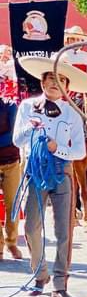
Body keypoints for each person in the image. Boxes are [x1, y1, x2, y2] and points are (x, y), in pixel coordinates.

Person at [13, 55, 87, 297]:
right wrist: (34, 130)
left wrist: (55, 148)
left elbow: (80, 151)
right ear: (43, 82)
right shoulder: (27, 107)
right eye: (51, 79)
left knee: (64, 231)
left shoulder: (72, 113)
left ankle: (60, 284)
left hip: (62, 172)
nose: (55, 85)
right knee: (30, 226)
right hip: (36, 171)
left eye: (61, 81)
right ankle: (40, 274)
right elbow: (18, 140)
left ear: (67, 87)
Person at [0, 95, 22, 261]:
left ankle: (11, 241)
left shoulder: (10, 107)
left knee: (13, 204)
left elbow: (14, 136)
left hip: (11, 162)